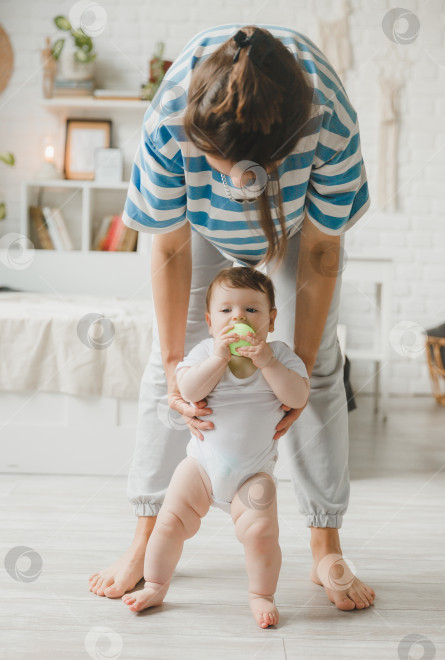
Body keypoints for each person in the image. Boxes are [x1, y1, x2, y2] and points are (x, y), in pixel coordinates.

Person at [89, 23, 376, 611]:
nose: (230, 180)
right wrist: (176, 362)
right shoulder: (170, 118)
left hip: (298, 229)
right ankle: (146, 536)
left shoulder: (329, 124)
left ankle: (326, 543)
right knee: (170, 365)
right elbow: (167, 243)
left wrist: (290, 365)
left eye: (240, 168)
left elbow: (322, 250)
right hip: (195, 231)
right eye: (217, 160)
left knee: (316, 364)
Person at [122, 267, 310, 628]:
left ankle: (261, 595)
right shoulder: (205, 351)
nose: (238, 317)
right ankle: (157, 585)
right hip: (201, 466)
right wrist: (218, 358)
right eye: (226, 311)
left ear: (271, 320)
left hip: (253, 473)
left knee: (261, 533)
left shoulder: (281, 356)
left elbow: (298, 396)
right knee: (168, 523)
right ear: (210, 322)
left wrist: (266, 361)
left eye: (251, 310)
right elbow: (189, 390)